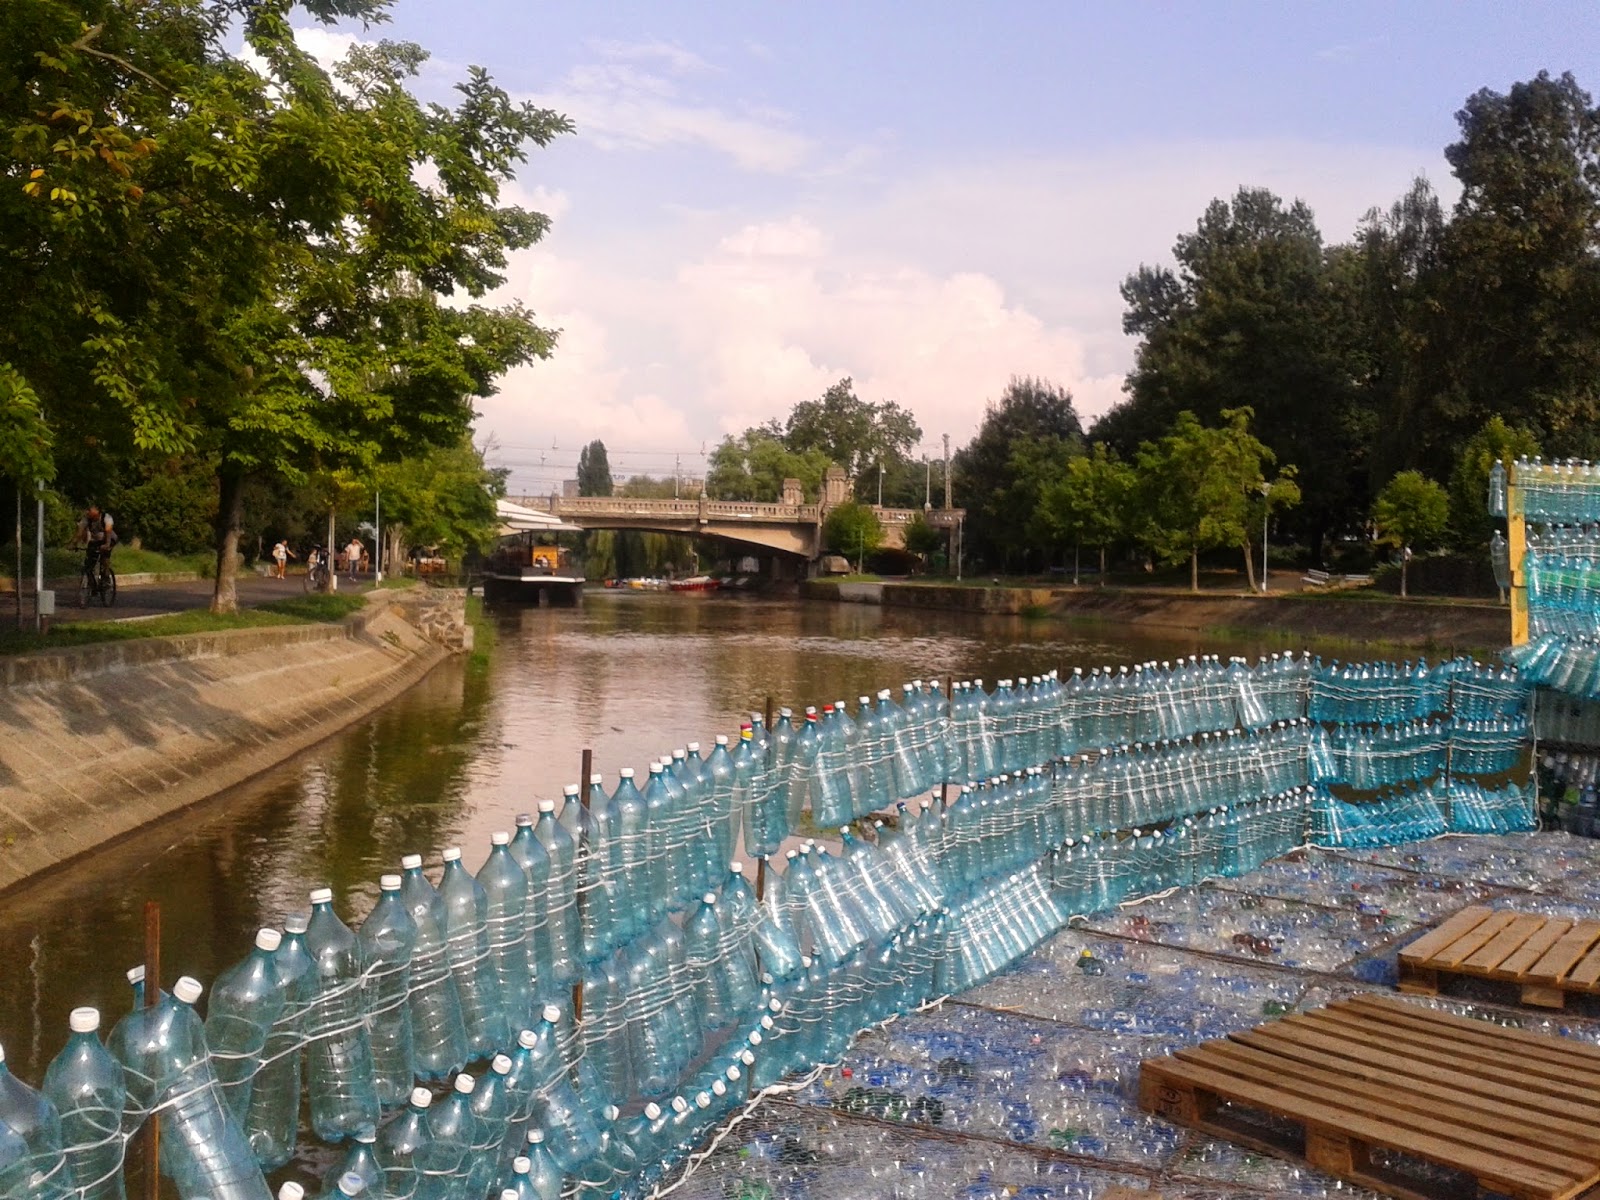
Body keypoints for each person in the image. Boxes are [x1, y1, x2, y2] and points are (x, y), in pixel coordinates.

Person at [73, 504, 117, 578]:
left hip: (109, 539)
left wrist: (107, 544)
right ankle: (91, 580)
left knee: (104, 557)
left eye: (89, 510)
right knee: (89, 562)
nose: (87, 512)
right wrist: (74, 544)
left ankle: (106, 576)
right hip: (96, 540)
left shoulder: (106, 517)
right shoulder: (86, 519)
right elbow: (79, 532)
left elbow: (108, 530)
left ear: (97, 510)